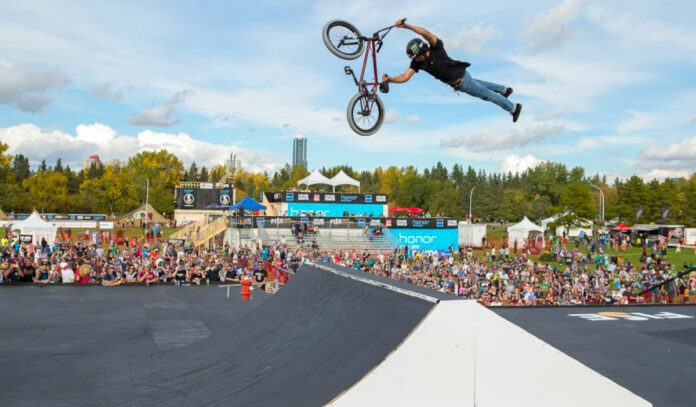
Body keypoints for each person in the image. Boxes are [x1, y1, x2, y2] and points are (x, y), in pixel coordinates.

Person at [382, 19, 522, 122]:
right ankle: (504, 90)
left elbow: (426, 33)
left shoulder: (436, 47)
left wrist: (406, 26)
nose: (416, 60)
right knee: (481, 84)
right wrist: (391, 79)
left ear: (423, 50)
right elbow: (405, 76)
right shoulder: (417, 63)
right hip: (462, 77)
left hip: (461, 81)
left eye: (417, 56)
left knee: (487, 95)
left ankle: (514, 108)